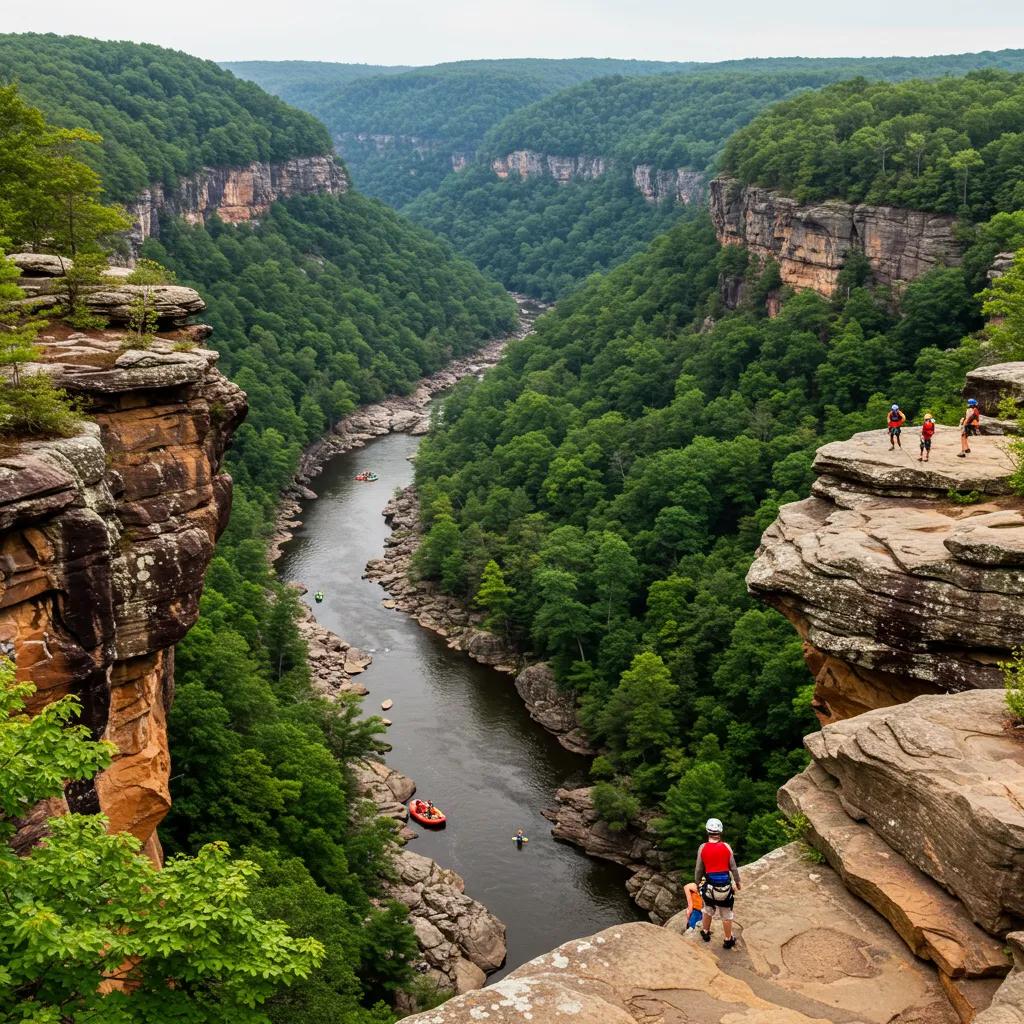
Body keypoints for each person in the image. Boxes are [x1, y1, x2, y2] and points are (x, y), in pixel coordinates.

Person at [695, 817, 741, 950]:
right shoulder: (726, 847)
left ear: (707, 831)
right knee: (726, 914)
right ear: (720, 832)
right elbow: (733, 867)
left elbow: (699, 869)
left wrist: (698, 882)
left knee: (708, 909)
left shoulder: (702, 847)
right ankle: (728, 939)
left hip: (709, 887)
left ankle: (705, 932)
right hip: (725, 889)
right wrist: (737, 882)